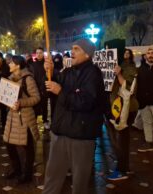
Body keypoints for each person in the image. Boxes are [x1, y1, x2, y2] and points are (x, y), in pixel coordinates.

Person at [43, 39, 105, 194]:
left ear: (87, 54)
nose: (72, 51)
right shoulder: (69, 71)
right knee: (52, 175)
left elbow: (86, 102)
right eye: (72, 48)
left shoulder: (93, 74)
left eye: (76, 49)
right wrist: (49, 72)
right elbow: (56, 84)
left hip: (80, 135)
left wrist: (60, 92)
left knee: (79, 180)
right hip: (60, 131)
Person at [3, 55, 40, 184]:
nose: (9, 64)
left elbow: (36, 98)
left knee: (27, 146)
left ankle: (27, 173)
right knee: (9, 144)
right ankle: (17, 169)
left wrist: (21, 103)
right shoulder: (10, 79)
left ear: (18, 65)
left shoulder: (28, 79)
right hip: (12, 117)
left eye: (11, 63)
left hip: (25, 118)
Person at [107, 49, 138, 180]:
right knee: (122, 139)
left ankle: (122, 170)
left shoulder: (131, 68)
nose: (125, 55)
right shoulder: (122, 65)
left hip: (127, 108)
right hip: (119, 107)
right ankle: (124, 166)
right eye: (123, 53)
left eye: (127, 53)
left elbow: (127, 88)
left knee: (122, 140)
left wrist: (119, 74)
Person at [30, 47, 50, 130]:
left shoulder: (46, 64)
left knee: (44, 105)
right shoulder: (33, 65)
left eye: (40, 53)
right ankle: (34, 121)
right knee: (35, 105)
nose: (39, 54)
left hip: (44, 88)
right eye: (37, 53)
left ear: (43, 54)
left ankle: (45, 121)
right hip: (35, 88)